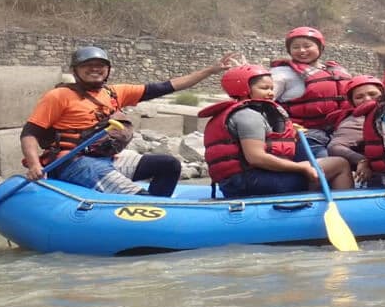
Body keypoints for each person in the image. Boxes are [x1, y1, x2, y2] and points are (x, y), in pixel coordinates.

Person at [20, 46, 234, 196]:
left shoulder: (114, 93)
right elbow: (29, 133)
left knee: (168, 165)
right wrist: (34, 164)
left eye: (100, 65)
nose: (95, 69)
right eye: (88, 65)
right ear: (75, 70)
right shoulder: (58, 96)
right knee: (139, 196)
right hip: (73, 163)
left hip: (109, 158)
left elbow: (168, 86)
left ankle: (158, 211)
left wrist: (210, 71)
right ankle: (145, 207)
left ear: (107, 70)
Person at [200, 64, 353, 198]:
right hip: (251, 182)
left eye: (272, 88)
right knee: (339, 164)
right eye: (264, 88)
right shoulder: (249, 116)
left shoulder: (240, 112)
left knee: (317, 165)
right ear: (244, 89)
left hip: (238, 183)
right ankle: (345, 212)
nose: (271, 93)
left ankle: (307, 203)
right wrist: (301, 167)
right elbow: (256, 158)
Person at [269, 26, 351, 158]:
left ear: (320, 48)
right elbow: (264, 101)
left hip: (340, 132)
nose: (302, 50)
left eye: (307, 46)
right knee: (331, 164)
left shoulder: (336, 71)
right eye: (295, 47)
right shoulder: (281, 74)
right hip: (305, 135)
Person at [326, 75, 385, 186]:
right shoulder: (355, 121)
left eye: (373, 94)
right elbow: (335, 147)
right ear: (352, 102)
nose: (367, 99)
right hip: (377, 174)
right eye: (359, 97)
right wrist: (362, 160)